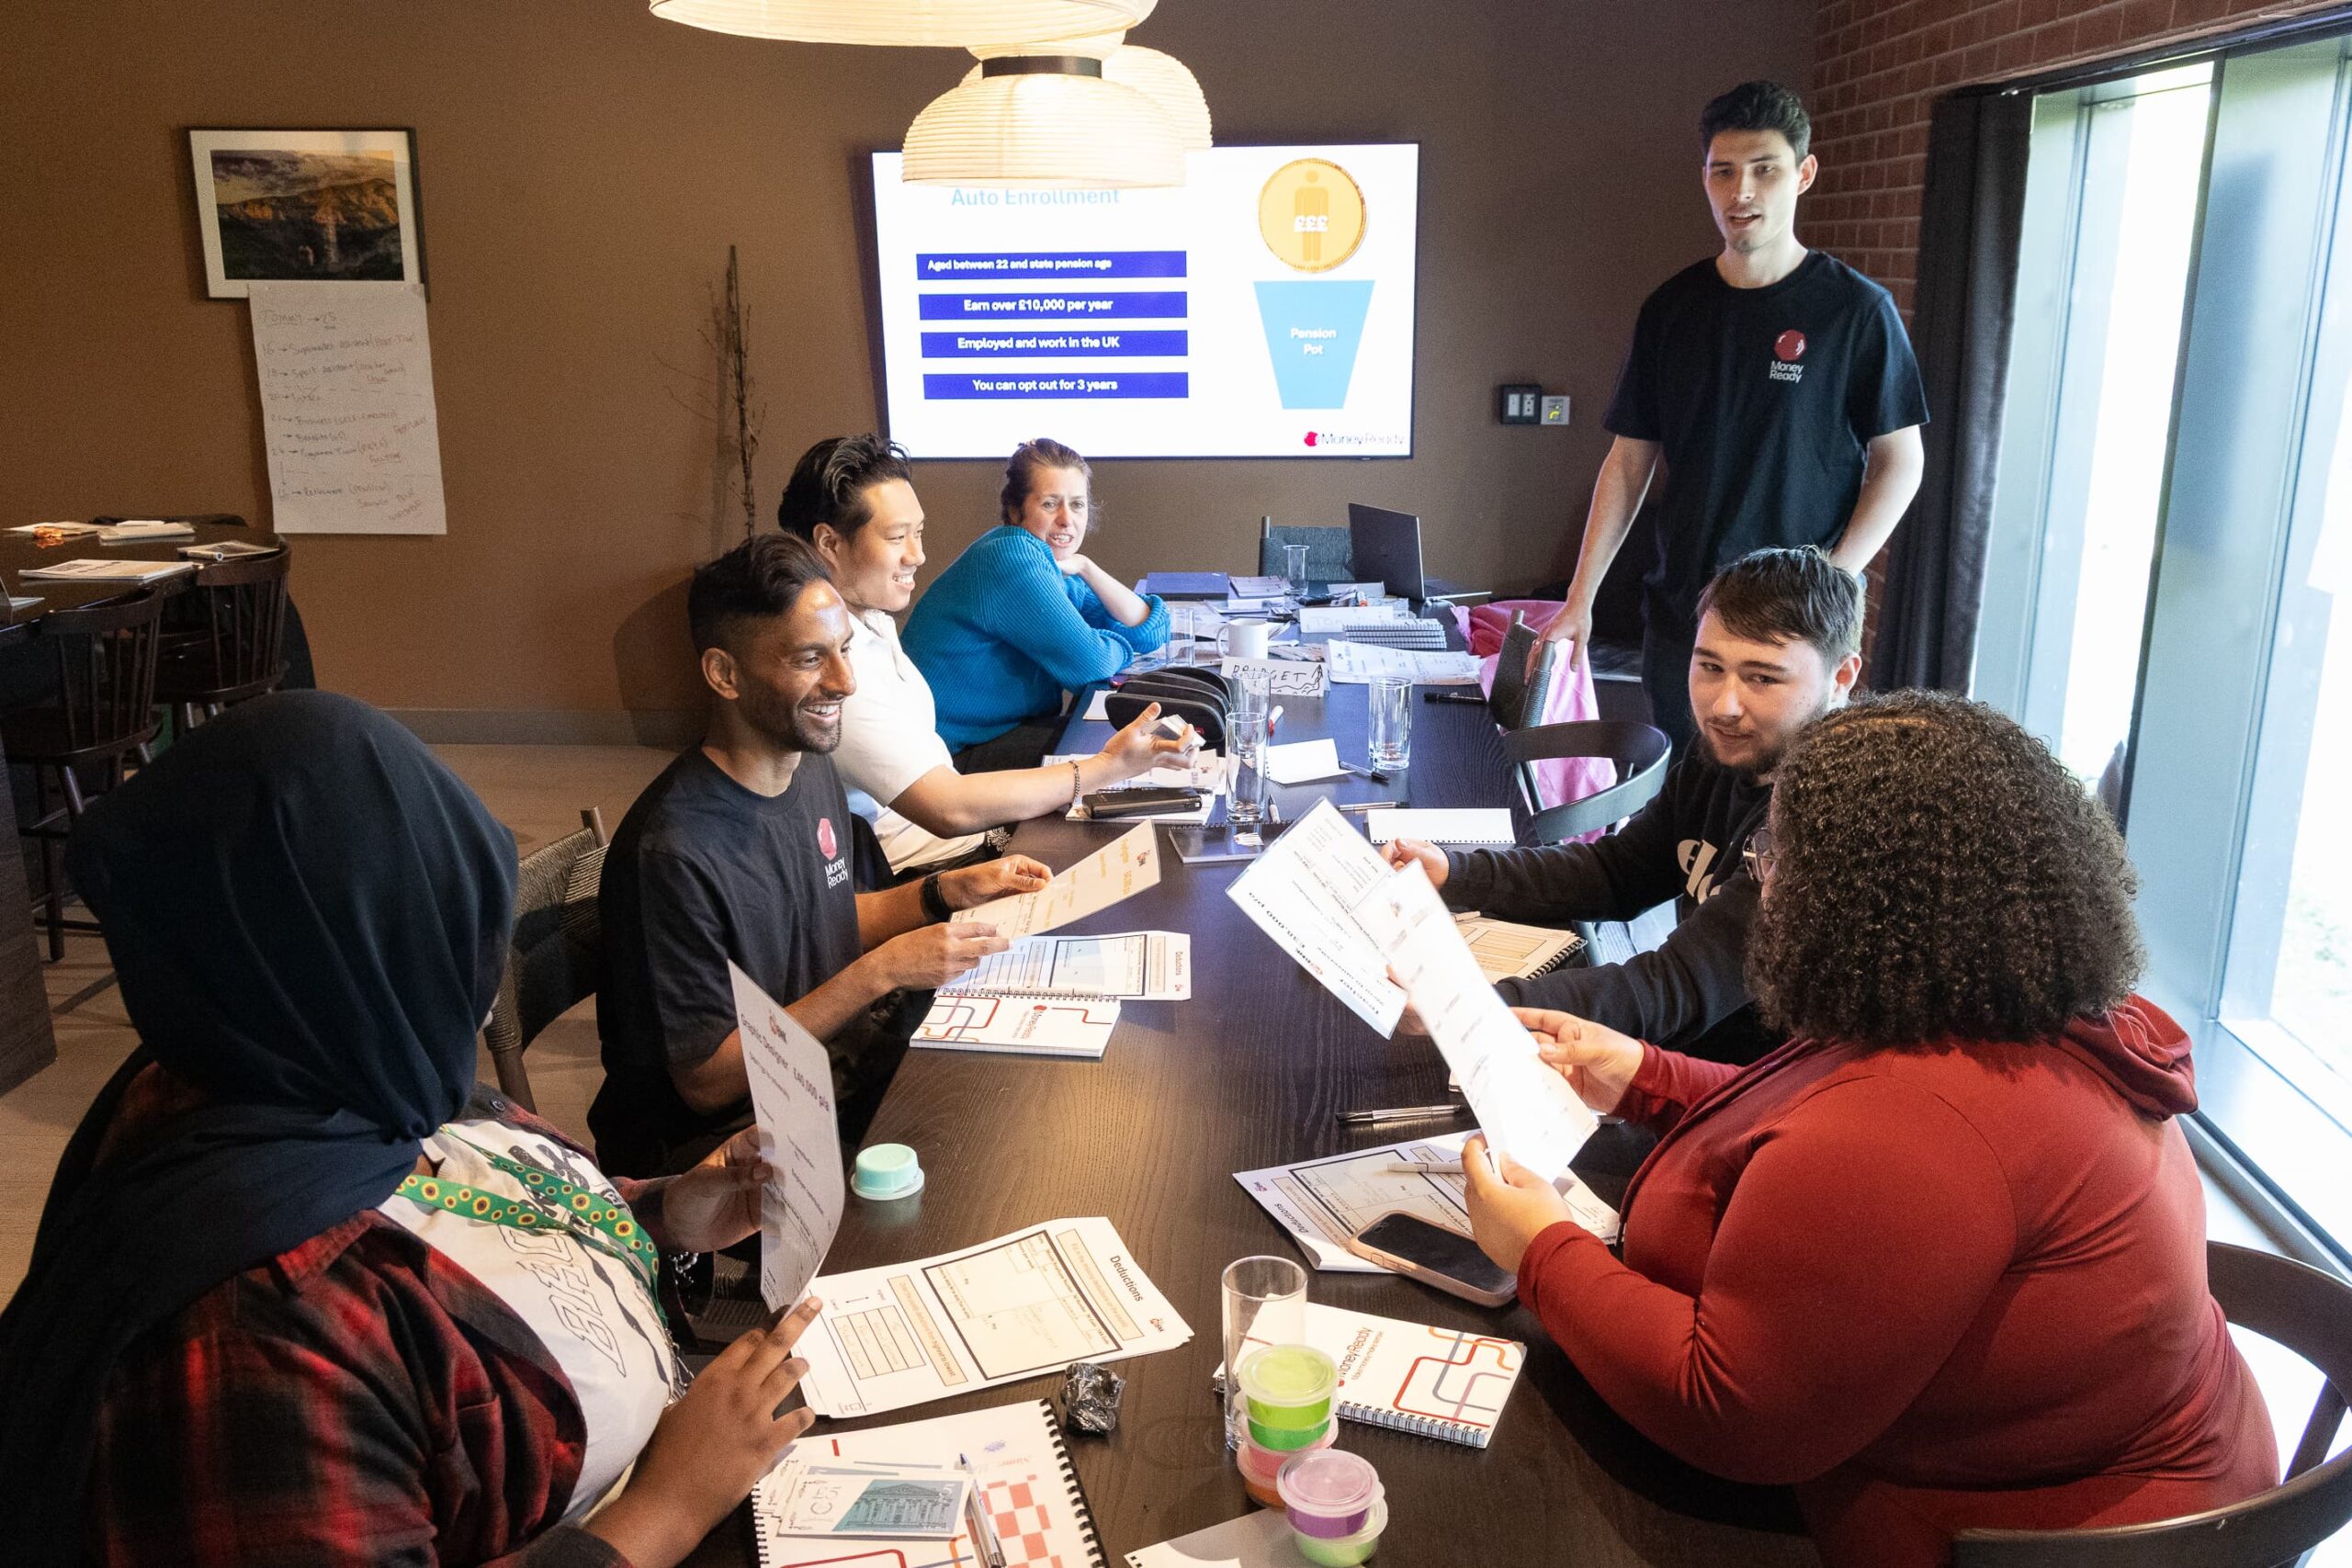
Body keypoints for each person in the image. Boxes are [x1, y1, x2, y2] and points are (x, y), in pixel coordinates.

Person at [0, 691, 828, 1568]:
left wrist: (661, 1211)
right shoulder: (262, 1338)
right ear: (347, 961)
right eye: (447, 945)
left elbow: (472, 1212)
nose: (480, 997)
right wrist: (668, 1504)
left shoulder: (319, 1062)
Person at [1459, 692, 2277, 1567]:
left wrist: (1542, 1249)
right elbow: (1812, 1109)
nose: (1763, 877)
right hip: (2060, 1458)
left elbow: (1731, 1411)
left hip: (2050, 1541)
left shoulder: (1928, 1131)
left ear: (1867, 900)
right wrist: (1649, 1077)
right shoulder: (1989, 1003)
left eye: (1779, 856)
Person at [592, 533, 1049, 1177]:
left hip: (824, 1067)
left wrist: (942, 893)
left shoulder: (807, 769)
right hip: (723, 1142)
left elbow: (820, 918)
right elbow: (707, 1082)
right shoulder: (671, 853)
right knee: (978, 1157)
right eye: (810, 658)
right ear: (724, 674)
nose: (844, 681)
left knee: (1012, 1098)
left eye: (844, 649)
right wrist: (881, 971)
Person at [1532, 80, 1926, 753]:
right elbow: (1628, 464)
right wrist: (1580, 598)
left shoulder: (1856, 312)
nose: (1742, 191)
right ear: (1706, 179)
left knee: (1784, 802)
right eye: (1724, 171)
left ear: (1803, 174)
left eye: (1765, 169)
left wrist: (1832, 578)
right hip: (1685, 619)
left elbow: (1901, 463)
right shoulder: (1671, 310)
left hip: (1795, 628)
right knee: (1684, 795)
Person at [1387, 547, 1860, 1066]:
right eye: (1710, 666)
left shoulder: (1825, 818)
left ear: (1841, 677)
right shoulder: (1728, 754)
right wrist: (1455, 871)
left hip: (1742, 1089)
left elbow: (1675, 988)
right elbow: (1617, 872)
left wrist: (1467, 1007)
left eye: (1762, 678)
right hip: (1683, 1054)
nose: (1724, 706)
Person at [778, 434, 1196, 875]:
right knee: (1139, 847)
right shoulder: (839, 673)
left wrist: (1089, 572)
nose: (918, 556)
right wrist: (1106, 767)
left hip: (957, 828)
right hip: (928, 860)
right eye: (898, 537)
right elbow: (948, 810)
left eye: (918, 534)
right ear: (830, 544)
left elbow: (1141, 627)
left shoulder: (871, 621)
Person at [904, 437, 1170, 772]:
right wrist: (1106, 642)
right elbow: (1093, 664)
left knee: (1134, 742)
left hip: (994, 736)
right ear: (1016, 510)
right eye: (1049, 504)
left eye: (1077, 504)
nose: (1066, 519)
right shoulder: (1011, 557)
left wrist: (1087, 568)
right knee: (1128, 750)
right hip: (948, 760)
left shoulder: (1051, 566)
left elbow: (1152, 630)